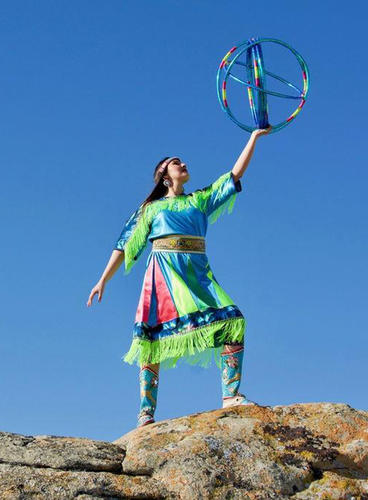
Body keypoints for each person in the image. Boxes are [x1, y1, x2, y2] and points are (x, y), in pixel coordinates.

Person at [87, 126, 272, 427]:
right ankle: (146, 412)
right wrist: (102, 280)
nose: (183, 164)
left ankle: (230, 395)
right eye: (176, 162)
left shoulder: (199, 201)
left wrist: (253, 138)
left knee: (234, 321)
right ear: (164, 175)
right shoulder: (151, 209)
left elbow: (234, 175)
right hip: (164, 276)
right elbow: (123, 245)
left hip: (198, 275)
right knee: (151, 340)